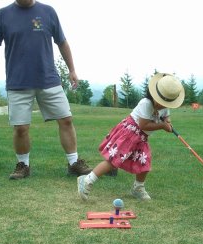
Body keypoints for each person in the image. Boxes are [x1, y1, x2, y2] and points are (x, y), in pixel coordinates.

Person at [0, 0, 91, 179]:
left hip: (48, 79)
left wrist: (72, 70)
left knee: (66, 119)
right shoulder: (3, 14)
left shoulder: (48, 12)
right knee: (20, 128)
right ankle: (23, 166)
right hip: (18, 81)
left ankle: (73, 164)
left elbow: (62, 42)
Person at [77, 73, 185, 201]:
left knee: (144, 162)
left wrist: (167, 121)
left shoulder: (165, 106)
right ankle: (87, 180)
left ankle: (138, 188)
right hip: (130, 133)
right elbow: (143, 125)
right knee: (114, 161)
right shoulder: (146, 103)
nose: (162, 106)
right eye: (161, 102)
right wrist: (162, 126)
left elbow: (166, 115)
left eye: (166, 104)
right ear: (153, 94)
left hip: (141, 138)